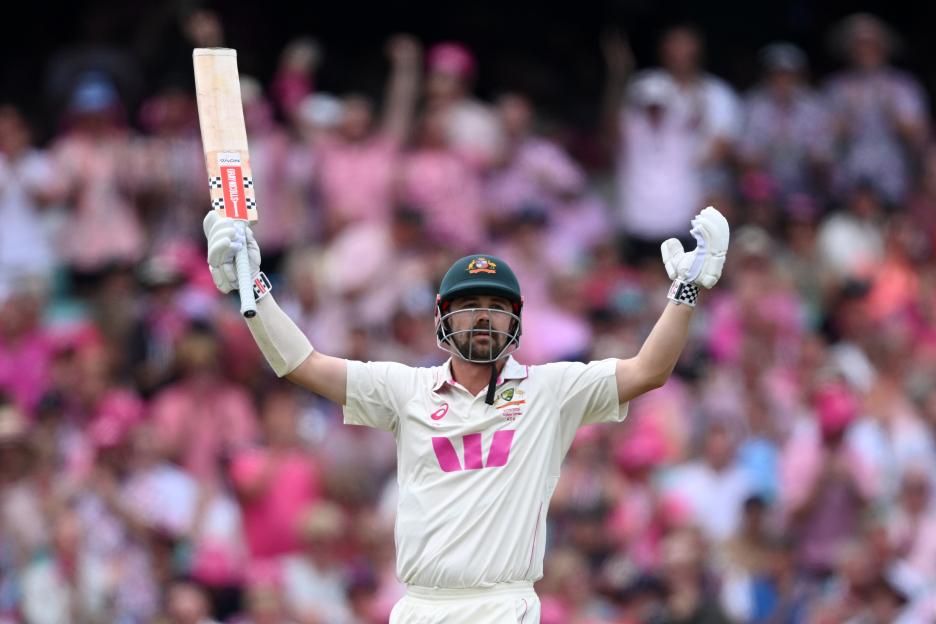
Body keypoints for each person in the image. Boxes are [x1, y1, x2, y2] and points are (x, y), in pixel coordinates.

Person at [202, 204, 729, 622]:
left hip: (501, 605)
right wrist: (255, 290)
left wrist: (686, 291)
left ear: (516, 321)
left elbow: (648, 371)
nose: (483, 317)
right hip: (418, 606)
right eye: (469, 306)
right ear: (442, 317)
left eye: (496, 307)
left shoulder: (552, 390)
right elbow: (303, 364)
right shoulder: (405, 389)